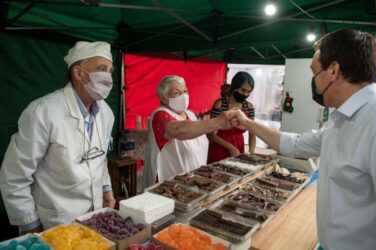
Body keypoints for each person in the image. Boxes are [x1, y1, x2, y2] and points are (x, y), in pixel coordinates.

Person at [231, 29, 376, 250]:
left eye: (314, 72)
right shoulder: (343, 119)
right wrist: (247, 123)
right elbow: (296, 145)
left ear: (333, 70)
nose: (314, 82)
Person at [0, 41, 116, 233]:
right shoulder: (43, 112)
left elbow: (99, 156)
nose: (109, 77)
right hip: (54, 222)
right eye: (102, 69)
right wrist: (30, 224)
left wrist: (105, 187)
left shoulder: (105, 112)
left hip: (95, 218)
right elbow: (14, 175)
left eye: (111, 70)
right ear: (78, 73)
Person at [143, 75, 235, 187]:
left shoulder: (190, 114)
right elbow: (180, 130)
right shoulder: (160, 114)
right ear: (163, 97)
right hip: (167, 182)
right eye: (177, 93)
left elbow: (198, 131)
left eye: (185, 91)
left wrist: (220, 126)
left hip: (193, 181)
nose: (183, 96)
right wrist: (217, 122)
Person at [207, 71, 256, 163]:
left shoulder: (249, 107)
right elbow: (209, 134)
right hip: (220, 147)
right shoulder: (220, 104)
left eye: (248, 92)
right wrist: (231, 147)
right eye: (243, 90)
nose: (245, 94)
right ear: (234, 87)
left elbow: (252, 133)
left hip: (239, 146)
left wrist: (251, 153)